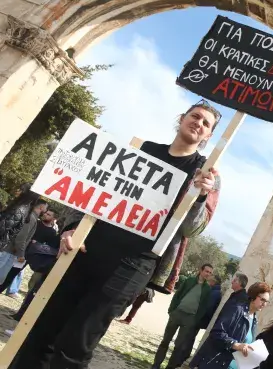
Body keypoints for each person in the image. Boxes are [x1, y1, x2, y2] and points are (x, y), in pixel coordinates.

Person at [11, 101, 223, 369]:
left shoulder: (206, 174)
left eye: (206, 123)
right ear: (182, 118)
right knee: (42, 331)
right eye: (195, 116)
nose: (198, 123)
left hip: (132, 266)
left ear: (208, 135)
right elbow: (94, 190)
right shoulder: (140, 150)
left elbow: (192, 228)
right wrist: (72, 228)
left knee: (77, 343)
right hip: (85, 249)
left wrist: (201, 196)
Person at [190, 282, 272, 369]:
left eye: (266, 301)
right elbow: (216, 332)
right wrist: (235, 345)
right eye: (262, 299)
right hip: (215, 363)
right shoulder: (236, 309)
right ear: (253, 296)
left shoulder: (254, 320)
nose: (264, 304)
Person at [152, 263, 214, 369]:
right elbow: (177, 295)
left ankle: (170, 367)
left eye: (210, 273)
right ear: (201, 270)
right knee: (165, 340)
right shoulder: (189, 280)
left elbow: (203, 307)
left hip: (189, 319)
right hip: (177, 313)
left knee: (179, 346)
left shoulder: (207, 289)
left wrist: (195, 320)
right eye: (206, 271)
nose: (208, 274)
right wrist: (172, 310)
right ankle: (156, 365)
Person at [0, 199, 48, 289]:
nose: (46, 210)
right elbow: (21, 238)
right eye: (46, 207)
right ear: (41, 207)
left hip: (9, 251)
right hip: (8, 251)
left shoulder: (31, 217)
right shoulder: (31, 218)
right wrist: (21, 255)